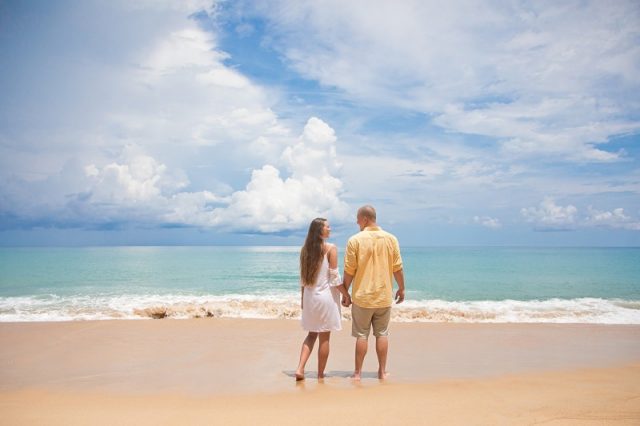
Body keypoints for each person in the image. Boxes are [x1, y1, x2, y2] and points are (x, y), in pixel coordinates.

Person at [342, 205, 405, 380]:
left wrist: (345, 292)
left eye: (357, 218)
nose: (356, 222)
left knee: (362, 336)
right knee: (382, 334)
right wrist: (401, 288)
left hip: (362, 297)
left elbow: (349, 270)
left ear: (365, 219)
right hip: (384, 296)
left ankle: (357, 373)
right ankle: (382, 372)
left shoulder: (354, 240)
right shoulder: (391, 239)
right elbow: (397, 268)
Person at [295, 218, 351, 381]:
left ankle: (300, 368)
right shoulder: (330, 248)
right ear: (319, 230)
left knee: (311, 335)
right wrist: (346, 294)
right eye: (327, 227)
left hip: (310, 298)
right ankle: (320, 375)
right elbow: (334, 278)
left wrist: (302, 300)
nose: (330, 229)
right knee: (324, 337)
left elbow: (303, 280)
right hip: (325, 298)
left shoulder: (305, 250)